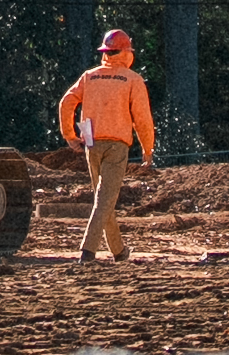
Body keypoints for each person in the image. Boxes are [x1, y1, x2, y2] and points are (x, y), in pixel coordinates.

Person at [58, 27, 159, 260]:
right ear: (125, 53)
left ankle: (119, 251)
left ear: (106, 52)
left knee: (104, 198)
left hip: (91, 145)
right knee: (105, 200)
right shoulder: (132, 80)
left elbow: (66, 103)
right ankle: (88, 250)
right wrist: (147, 150)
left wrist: (70, 136)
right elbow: (143, 119)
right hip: (117, 147)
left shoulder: (89, 76)